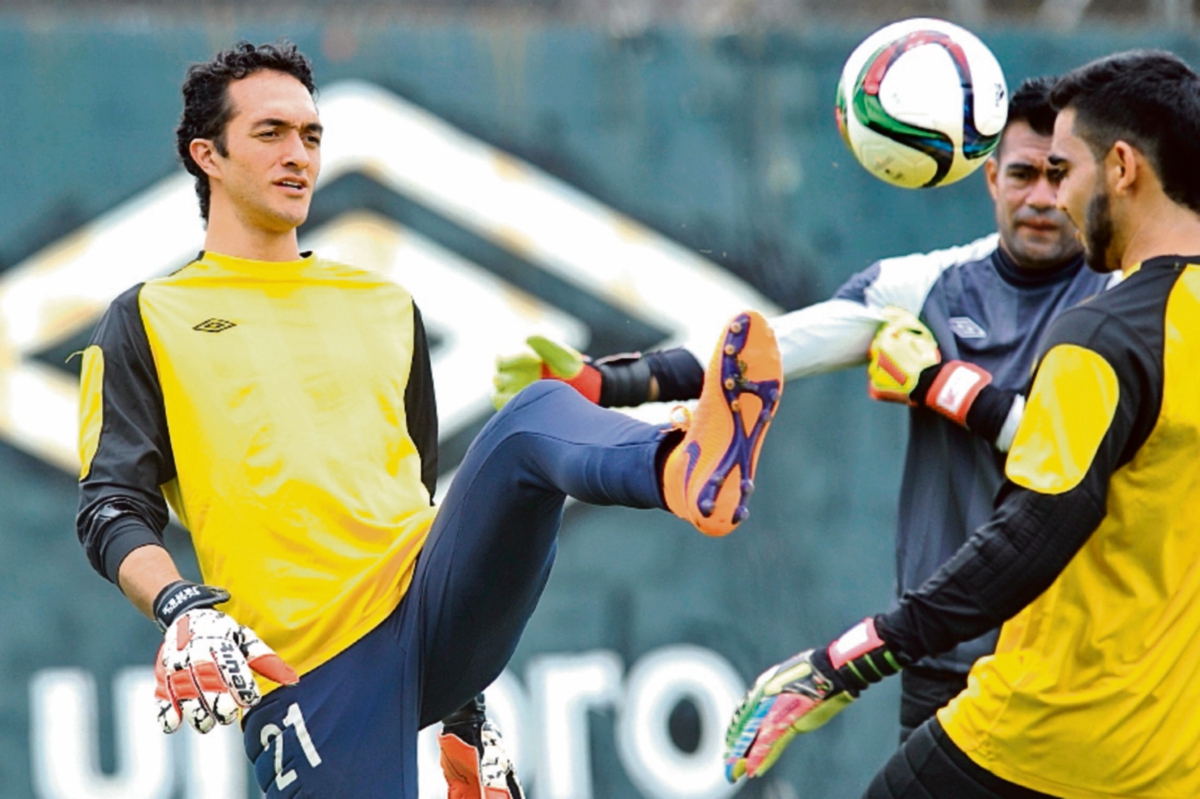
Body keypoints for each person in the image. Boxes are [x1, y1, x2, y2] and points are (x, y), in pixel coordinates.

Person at [73, 41, 785, 799]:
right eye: (271, 133)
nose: (298, 155)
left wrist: (462, 705)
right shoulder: (148, 317)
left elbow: (411, 497)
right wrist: (179, 604)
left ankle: (683, 465)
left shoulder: (384, 305)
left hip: (425, 603)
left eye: (312, 136)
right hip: (312, 672)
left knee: (536, 413)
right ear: (206, 155)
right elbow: (112, 506)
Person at [493, 76, 1114, 740]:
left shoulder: (1123, 300)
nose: (1042, 196)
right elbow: (765, 349)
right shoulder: (922, 286)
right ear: (989, 176)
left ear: (1094, 180)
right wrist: (607, 381)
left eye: (1058, 174)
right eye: (1023, 173)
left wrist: (940, 384)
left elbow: (1081, 462)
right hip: (945, 656)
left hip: (1080, 667)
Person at [724, 48, 1200, 799]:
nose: (1059, 200)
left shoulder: (1102, 337)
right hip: (1176, 763)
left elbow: (1028, 536)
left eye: (1065, 170)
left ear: (1121, 167)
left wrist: (846, 659)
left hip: (1041, 736)